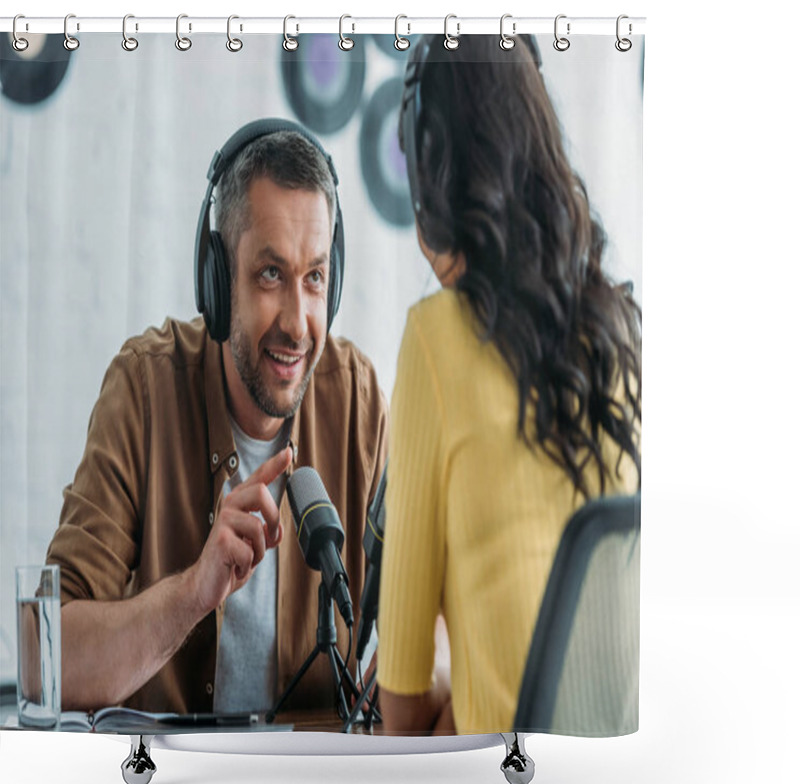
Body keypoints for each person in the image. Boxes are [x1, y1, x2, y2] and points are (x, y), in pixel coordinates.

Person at [45, 120, 388, 716]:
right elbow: (50, 660)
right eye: (270, 274)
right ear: (217, 282)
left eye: (314, 278)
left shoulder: (356, 397)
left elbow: (430, 621)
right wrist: (192, 592)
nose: (298, 321)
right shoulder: (144, 389)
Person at [377, 35, 642, 735]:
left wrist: (452, 693)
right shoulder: (623, 333)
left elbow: (400, 705)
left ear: (430, 168)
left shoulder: (436, 338)